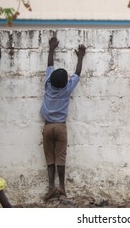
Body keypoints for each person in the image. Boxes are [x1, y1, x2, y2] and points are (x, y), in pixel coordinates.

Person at [40, 37, 86, 200]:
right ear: (65, 82)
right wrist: (80, 57)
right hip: (60, 127)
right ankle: (62, 187)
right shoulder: (67, 88)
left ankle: (51, 187)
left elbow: (49, 65)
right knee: (61, 156)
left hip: (47, 127)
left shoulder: (47, 85)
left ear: (51, 79)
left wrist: (51, 48)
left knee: (49, 157)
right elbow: (77, 73)